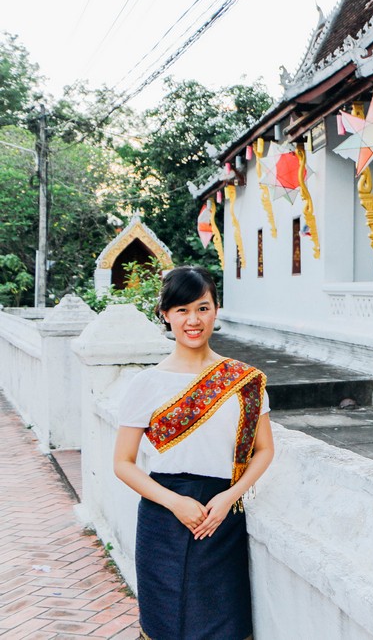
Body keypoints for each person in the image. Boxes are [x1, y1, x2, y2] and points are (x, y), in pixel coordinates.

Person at [113, 266, 274, 640]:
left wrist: (229, 497)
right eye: (182, 310)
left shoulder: (245, 380)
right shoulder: (147, 384)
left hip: (222, 516)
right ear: (166, 315)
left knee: (222, 622)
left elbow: (264, 451)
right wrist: (176, 503)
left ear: (216, 310)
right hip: (163, 515)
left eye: (202, 308)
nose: (193, 320)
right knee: (165, 623)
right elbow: (123, 463)